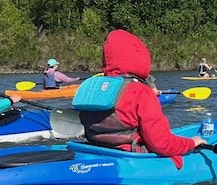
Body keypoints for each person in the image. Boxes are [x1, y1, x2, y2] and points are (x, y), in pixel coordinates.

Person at [77, 29, 206, 158]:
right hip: (132, 158)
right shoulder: (141, 93)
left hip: (94, 151)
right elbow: (162, 144)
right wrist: (191, 142)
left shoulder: (91, 87)